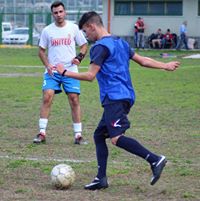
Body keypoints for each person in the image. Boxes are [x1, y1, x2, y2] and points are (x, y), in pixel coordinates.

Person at [56, 11, 180, 190]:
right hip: (125, 96)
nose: (86, 36)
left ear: (91, 26)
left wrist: (65, 72)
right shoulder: (120, 42)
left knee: (116, 138)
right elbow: (143, 61)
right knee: (99, 135)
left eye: (85, 32)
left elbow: (90, 76)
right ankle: (101, 179)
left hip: (114, 98)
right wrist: (165, 66)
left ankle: (155, 159)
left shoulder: (99, 47)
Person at [33, 1, 88, 145]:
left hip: (70, 71)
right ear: (52, 14)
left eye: (61, 12)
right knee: (47, 97)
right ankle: (42, 133)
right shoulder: (47, 31)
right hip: (53, 72)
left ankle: (78, 135)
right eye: (56, 12)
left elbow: (83, 45)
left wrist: (79, 57)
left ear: (65, 12)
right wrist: (48, 65)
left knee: (74, 99)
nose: (59, 15)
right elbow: (41, 51)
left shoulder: (74, 28)